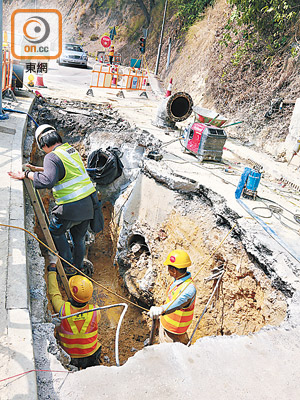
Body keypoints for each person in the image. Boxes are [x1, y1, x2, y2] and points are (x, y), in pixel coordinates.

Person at [8, 124, 97, 276]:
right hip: (88, 205)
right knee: (79, 238)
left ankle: (67, 265)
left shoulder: (51, 156)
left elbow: (47, 181)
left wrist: (27, 174)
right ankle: (78, 266)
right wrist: (38, 169)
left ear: (44, 144)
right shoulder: (70, 150)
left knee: (56, 232)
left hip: (70, 207)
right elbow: (62, 171)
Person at [47, 254, 101, 369]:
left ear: (71, 293)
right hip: (91, 354)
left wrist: (52, 266)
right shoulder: (96, 311)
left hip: (70, 355)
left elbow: (54, 293)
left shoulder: (63, 309)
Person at [149, 250, 197, 345]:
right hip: (167, 326)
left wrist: (161, 309)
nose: (168, 271)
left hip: (174, 334)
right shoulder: (178, 281)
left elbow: (178, 303)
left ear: (174, 271)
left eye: (169, 268)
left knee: (171, 356)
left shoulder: (189, 289)